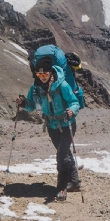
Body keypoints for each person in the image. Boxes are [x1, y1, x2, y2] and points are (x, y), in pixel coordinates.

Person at [16, 56, 80, 201]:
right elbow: (32, 105)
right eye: (39, 74)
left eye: (45, 74)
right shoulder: (36, 87)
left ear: (51, 72)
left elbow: (74, 102)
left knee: (61, 155)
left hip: (67, 123)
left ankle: (62, 188)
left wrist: (72, 111)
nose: (42, 77)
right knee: (63, 153)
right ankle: (75, 181)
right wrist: (24, 103)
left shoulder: (62, 85)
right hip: (51, 126)